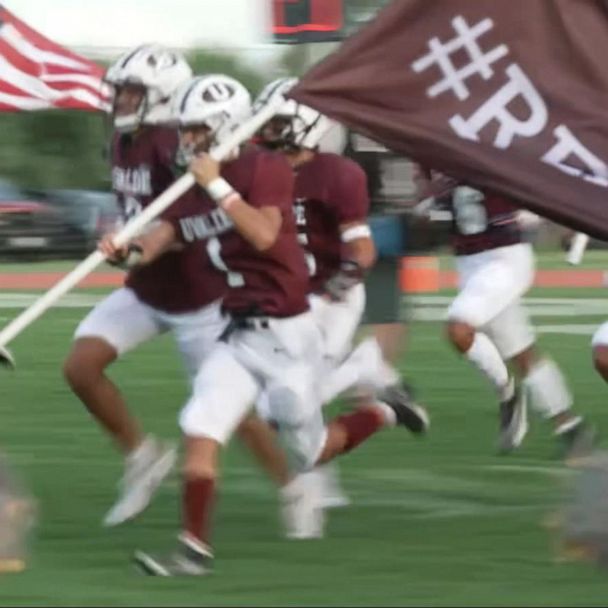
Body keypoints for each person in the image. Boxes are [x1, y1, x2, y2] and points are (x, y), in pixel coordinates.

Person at [127, 74, 419, 575]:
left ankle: (383, 412)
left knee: (311, 453)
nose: (186, 140)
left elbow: (263, 234)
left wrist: (215, 183)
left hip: (288, 332)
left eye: (195, 130)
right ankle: (193, 549)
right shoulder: (191, 185)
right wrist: (124, 249)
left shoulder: (264, 169)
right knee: (199, 424)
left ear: (222, 128)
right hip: (237, 333)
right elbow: (161, 236)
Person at [62, 45, 228, 527]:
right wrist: (123, 238)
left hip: (197, 293)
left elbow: (195, 219)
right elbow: (137, 210)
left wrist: (140, 246)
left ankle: (298, 479)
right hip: (147, 287)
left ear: (163, 95)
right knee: (81, 366)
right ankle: (143, 457)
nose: (121, 100)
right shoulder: (121, 142)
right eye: (121, 90)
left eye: (132, 91)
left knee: (235, 412)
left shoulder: (176, 146)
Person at [424, 173, 594, 457]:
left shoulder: (490, 144)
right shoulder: (435, 155)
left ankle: (507, 392)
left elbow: (533, 180)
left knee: (459, 328)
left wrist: (565, 224)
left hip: (505, 258)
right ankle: (570, 427)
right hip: (468, 263)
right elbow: (433, 205)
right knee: (522, 353)